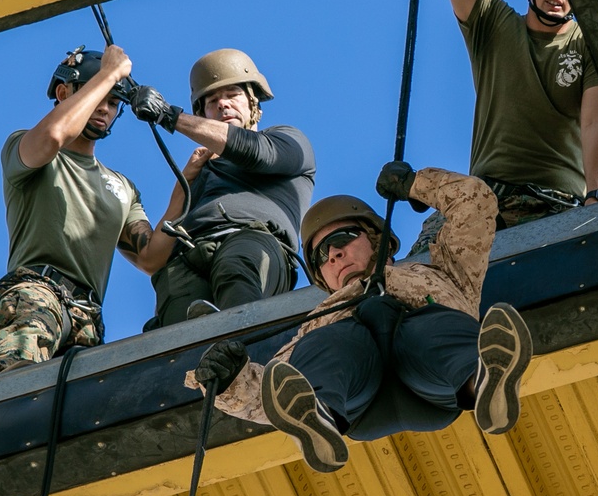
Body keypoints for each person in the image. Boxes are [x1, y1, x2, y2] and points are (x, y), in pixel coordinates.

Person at [186, 162, 533, 473]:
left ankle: (486, 380)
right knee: (325, 345)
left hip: (437, 380)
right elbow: (273, 391)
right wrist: (229, 379)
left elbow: (475, 203)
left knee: (433, 325)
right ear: (322, 275)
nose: (334, 254)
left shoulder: (443, 273)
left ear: (376, 238)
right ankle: (318, 417)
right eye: (322, 255)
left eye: (342, 239)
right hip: (359, 399)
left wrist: (416, 185)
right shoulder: (318, 321)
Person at [0, 45, 206, 377]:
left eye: (114, 102)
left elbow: (150, 257)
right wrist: (109, 74)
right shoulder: (27, 146)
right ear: (63, 92)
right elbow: (55, 136)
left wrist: (184, 186)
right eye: (94, 93)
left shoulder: (121, 187)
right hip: (36, 293)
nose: (105, 108)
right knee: (14, 382)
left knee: (71, 413)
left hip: (87, 316)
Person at [409, 0, 598, 254]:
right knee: (422, 267)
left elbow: (596, 120)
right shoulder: (492, 24)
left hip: (554, 201)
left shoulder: (589, 42)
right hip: (484, 196)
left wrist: (596, 197)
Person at [128, 49, 316, 327]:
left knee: (235, 270)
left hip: (253, 243)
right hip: (190, 255)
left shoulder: (287, 141)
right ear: (203, 114)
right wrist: (186, 183)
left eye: (232, 95)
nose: (223, 105)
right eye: (212, 101)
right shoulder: (196, 171)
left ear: (254, 104)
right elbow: (155, 257)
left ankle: (241, 352)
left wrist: (169, 116)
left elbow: (254, 151)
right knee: (177, 317)